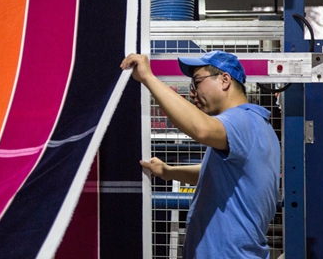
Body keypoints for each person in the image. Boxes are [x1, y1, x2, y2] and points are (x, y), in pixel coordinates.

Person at [120, 50, 280, 259]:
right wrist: (169, 172)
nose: (193, 93)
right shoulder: (257, 126)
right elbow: (217, 174)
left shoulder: (242, 120)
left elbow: (201, 129)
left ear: (224, 80)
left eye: (197, 82)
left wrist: (148, 78)